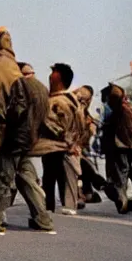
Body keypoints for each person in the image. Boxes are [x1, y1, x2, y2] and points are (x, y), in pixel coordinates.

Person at [0, 27, 54, 235]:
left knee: (4, 176)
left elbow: (4, 104)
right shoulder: (22, 73)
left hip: (12, 135)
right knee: (26, 176)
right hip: (29, 136)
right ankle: (42, 218)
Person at [33, 63, 85, 216]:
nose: (50, 77)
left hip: (55, 145)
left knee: (50, 176)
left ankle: (49, 206)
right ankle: (63, 204)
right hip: (67, 145)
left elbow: (53, 125)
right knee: (56, 176)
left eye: (54, 73)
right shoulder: (73, 101)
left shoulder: (59, 102)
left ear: (59, 79)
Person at [101, 84, 132, 213]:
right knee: (121, 173)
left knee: (120, 175)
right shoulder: (124, 109)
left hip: (121, 147)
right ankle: (126, 199)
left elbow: (130, 131)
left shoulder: (123, 111)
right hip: (121, 147)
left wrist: (127, 144)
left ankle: (123, 201)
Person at [73, 85, 107, 205]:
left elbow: (90, 134)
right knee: (83, 168)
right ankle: (87, 191)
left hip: (80, 148)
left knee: (84, 168)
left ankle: (87, 192)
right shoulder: (73, 108)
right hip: (71, 148)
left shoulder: (88, 115)